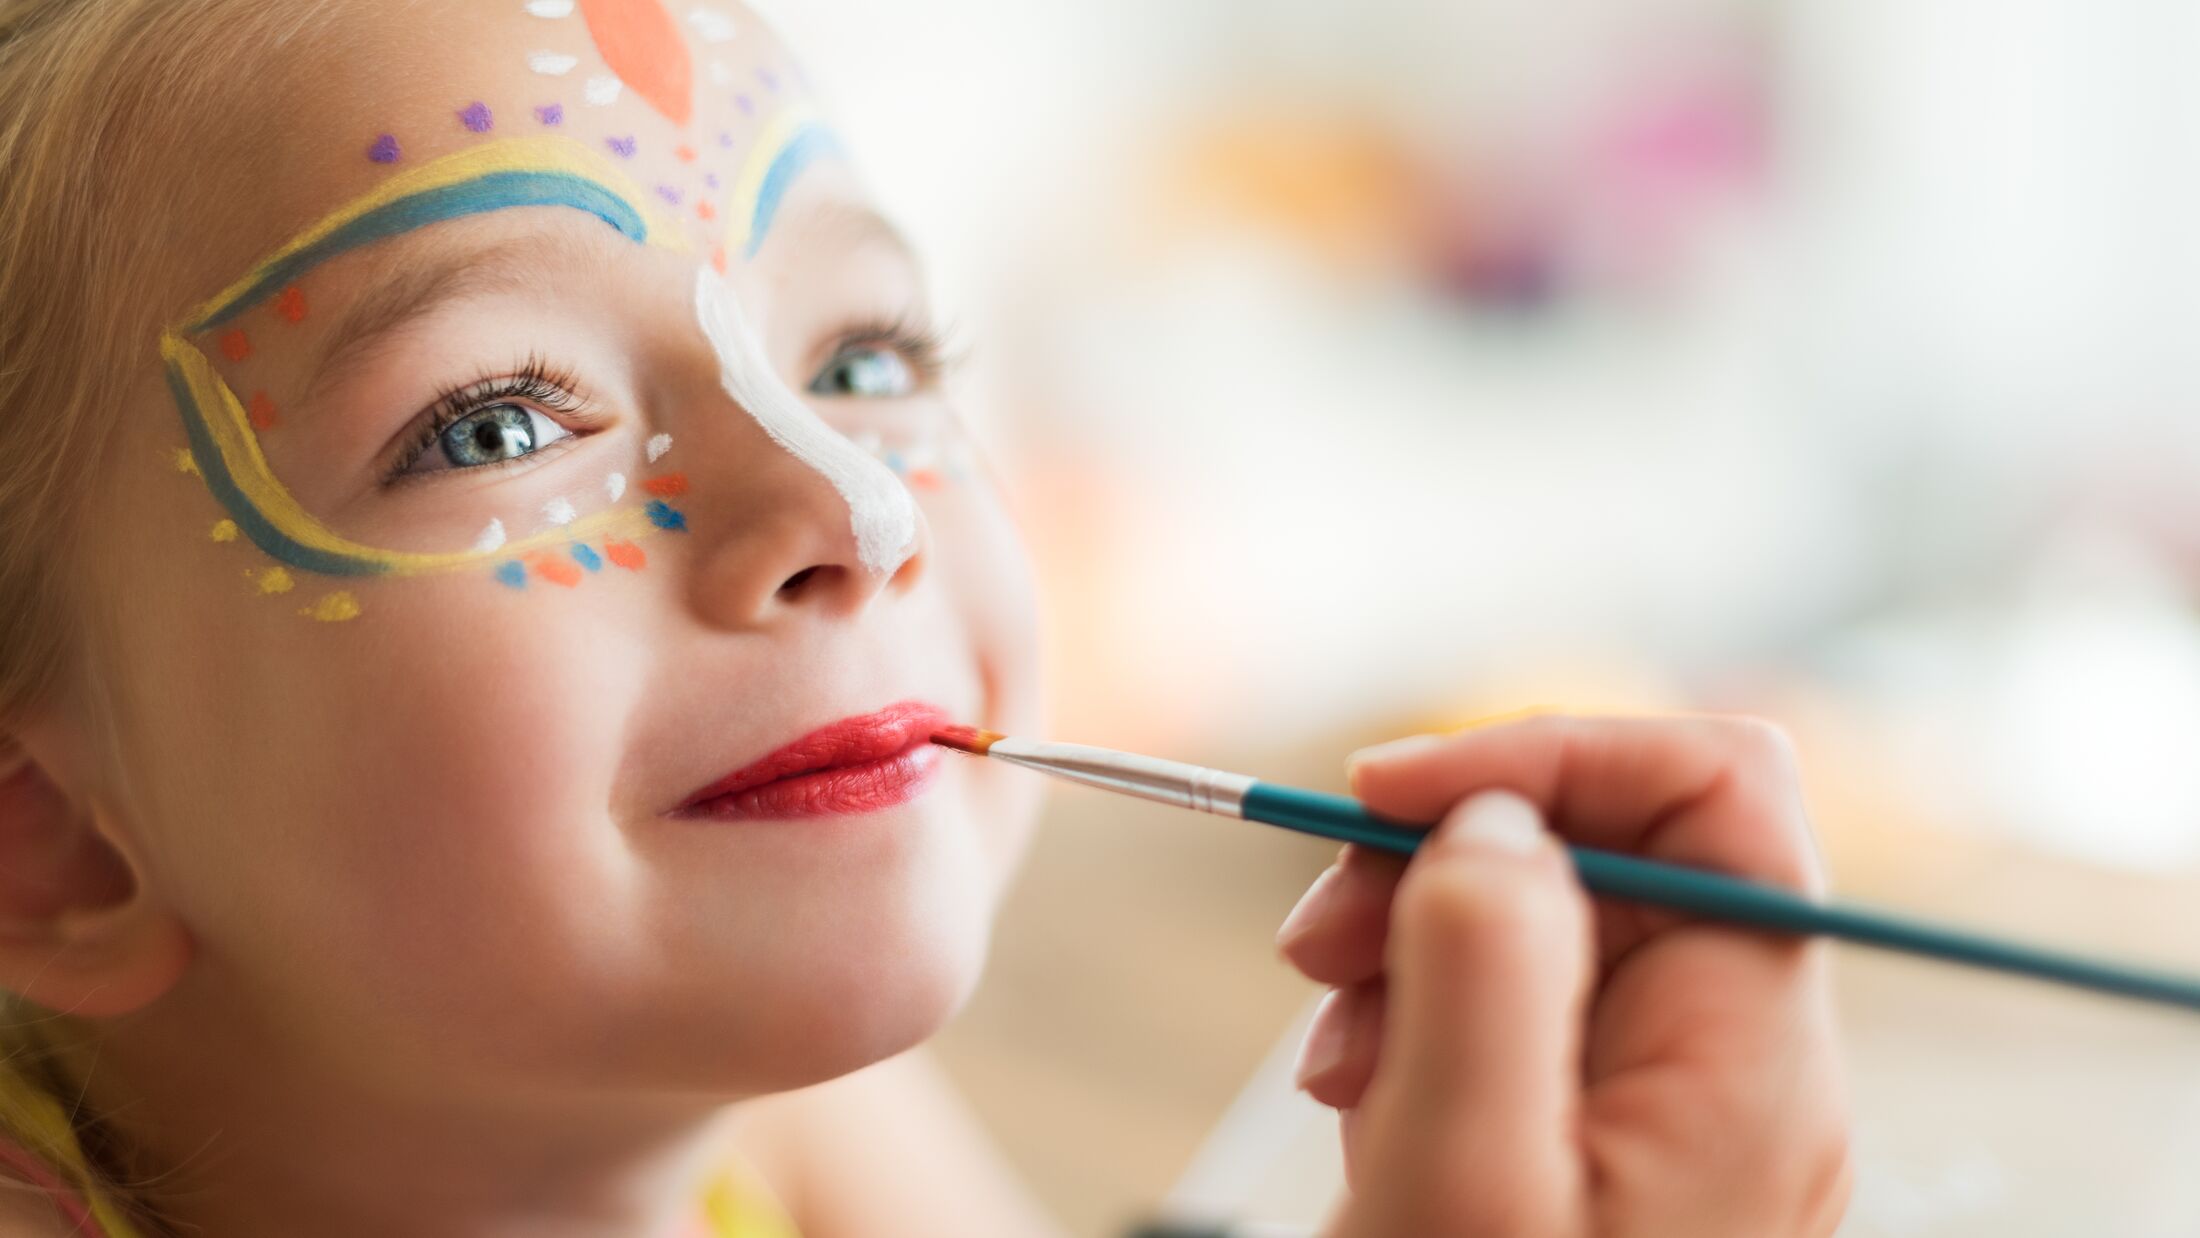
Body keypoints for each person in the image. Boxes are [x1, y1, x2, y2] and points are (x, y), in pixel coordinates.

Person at [0, 1, 1848, 1232]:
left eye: (865, 354)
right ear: (48, 841)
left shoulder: (746, 1102)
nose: (853, 507)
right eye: (493, 422)